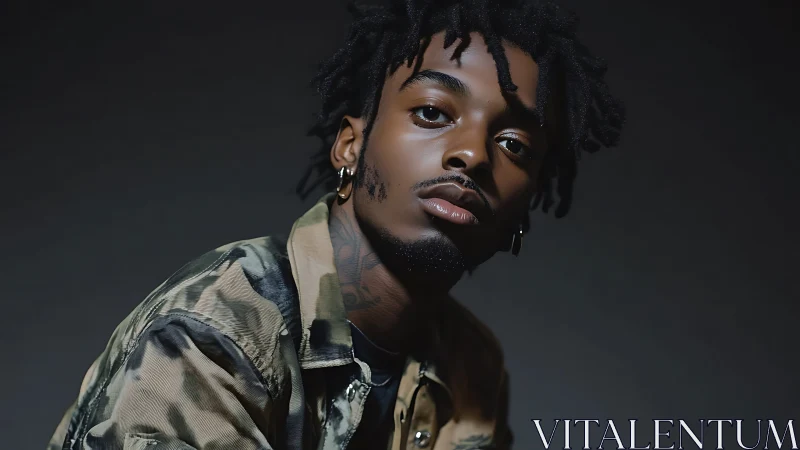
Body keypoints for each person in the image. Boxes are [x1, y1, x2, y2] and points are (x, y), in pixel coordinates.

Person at [48, 0, 625, 448]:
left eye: (514, 144)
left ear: (524, 207)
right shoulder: (219, 332)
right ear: (351, 145)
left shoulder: (472, 366)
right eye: (432, 113)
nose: (473, 154)